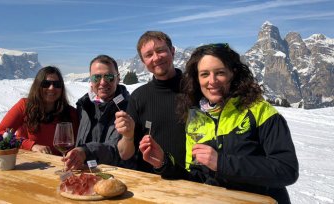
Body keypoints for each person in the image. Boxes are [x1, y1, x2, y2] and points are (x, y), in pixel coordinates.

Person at [139, 43, 299, 203]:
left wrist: (221, 163)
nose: (212, 81)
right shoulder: (196, 118)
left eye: (220, 73)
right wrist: (164, 163)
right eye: (204, 74)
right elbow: (197, 177)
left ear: (233, 73)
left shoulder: (259, 110)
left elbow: (286, 169)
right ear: (197, 78)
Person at [115, 31, 186, 173]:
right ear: (143, 62)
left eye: (161, 50)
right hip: (153, 182)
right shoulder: (139, 97)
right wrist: (128, 136)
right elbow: (125, 154)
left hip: (194, 181)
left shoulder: (194, 89)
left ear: (172, 51)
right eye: (148, 55)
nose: (156, 58)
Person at [64, 55, 133, 170]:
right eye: (96, 77)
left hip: (115, 176)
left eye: (109, 77)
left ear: (118, 78)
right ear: (90, 79)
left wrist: (85, 151)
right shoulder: (84, 105)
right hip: (82, 172)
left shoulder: (129, 108)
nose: (103, 82)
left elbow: (116, 149)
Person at [0, 66, 79, 156]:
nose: (51, 88)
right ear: (37, 86)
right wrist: (31, 146)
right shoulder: (24, 106)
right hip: (30, 165)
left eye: (57, 84)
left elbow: (79, 143)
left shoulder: (71, 113)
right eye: (46, 84)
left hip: (60, 165)